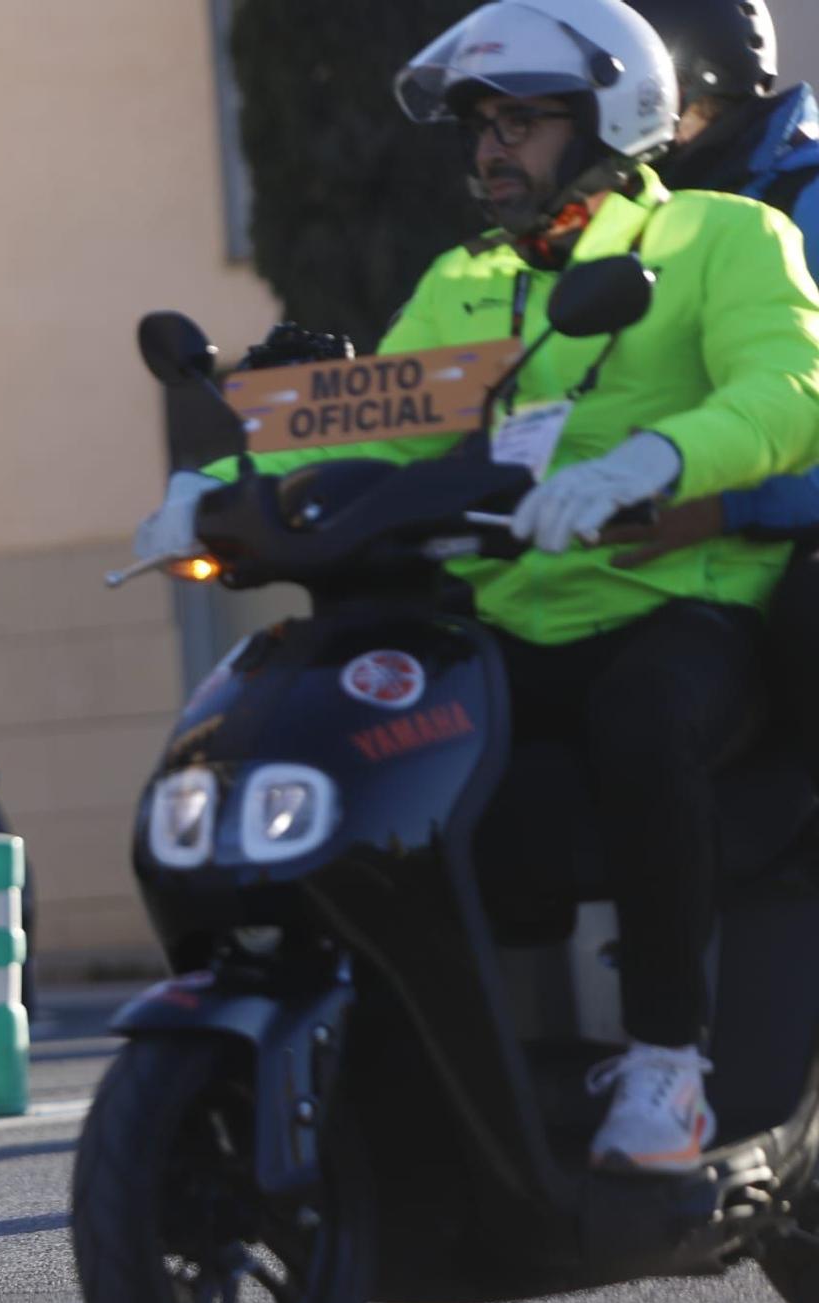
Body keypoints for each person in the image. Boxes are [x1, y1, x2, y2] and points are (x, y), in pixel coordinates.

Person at [134, 0, 819, 1172]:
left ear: (611, 117)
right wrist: (217, 488)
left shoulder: (722, 239)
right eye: (479, 127)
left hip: (684, 610)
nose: (488, 149)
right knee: (380, 739)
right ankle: (427, 1056)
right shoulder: (464, 277)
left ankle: (666, 1064)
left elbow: (790, 388)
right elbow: (377, 429)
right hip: (508, 622)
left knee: (641, 714)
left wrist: (651, 460)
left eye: (519, 123)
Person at [603, 0, 819, 774]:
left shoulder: (808, 201)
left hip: (779, 535)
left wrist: (730, 505)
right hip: (657, 525)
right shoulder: (625, 210)